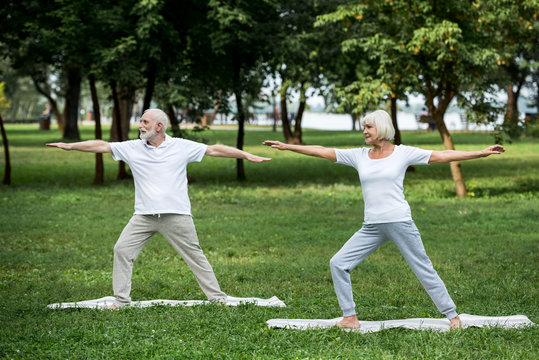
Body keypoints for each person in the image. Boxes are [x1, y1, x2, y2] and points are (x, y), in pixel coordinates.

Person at [263, 109, 505, 329]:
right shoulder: (359, 156)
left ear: (382, 128)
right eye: (364, 128)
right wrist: (288, 147)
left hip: (400, 222)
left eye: (369, 127)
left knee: (423, 269)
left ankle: (453, 317)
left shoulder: (403, 153)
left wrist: (480, 153)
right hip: (371, 227)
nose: (365, 132)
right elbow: (324, 151)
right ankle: (350, 317)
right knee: (338, 263)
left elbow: (443, 155)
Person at [47, 108, 271, 309]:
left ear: (159, 126)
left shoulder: (181, 146)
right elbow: (102, 145)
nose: (140, 126)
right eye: (140, 122)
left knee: (195, 256)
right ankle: (121, 301)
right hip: (143, 216)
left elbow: (213, 150)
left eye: (144, 122)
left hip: (177, 215)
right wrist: (70, 146)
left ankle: (217, 297)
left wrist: (244, 154)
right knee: (122, 250)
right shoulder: (132, 148)